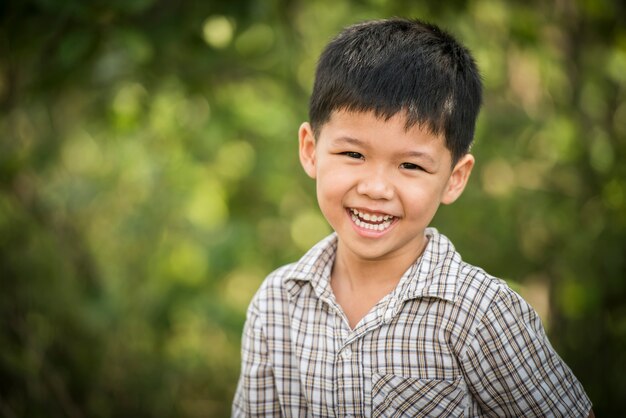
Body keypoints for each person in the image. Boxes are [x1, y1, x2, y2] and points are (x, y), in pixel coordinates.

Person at [232, 17, 593, 417]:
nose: (376, 187)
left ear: (454, 179)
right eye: (353, 154)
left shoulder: (480, 313)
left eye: (411, 166)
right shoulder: (277, 304)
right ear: (310, 149)